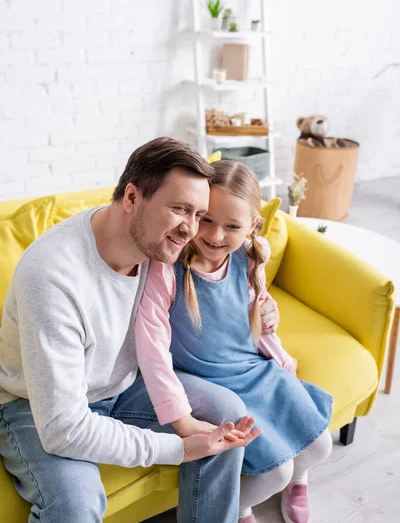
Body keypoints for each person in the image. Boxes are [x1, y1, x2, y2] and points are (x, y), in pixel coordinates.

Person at [0, 137, 261, 523]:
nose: (191, 229)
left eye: (198, 214)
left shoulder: (157, 244)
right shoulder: (53, 276)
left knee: (227, 417)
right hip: (35, 405)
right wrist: (181, 448)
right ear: (133, 197)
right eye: (179, 209)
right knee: (76, 505)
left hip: (121, 386)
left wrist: (261, 281)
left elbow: (232, 244)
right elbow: (65, 430)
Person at [135, 160, 334, 523]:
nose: (214, 235)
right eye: (206, 219)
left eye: (232, 226)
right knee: (276, 471)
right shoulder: (168, 267)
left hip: (251, 367)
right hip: (205, 380)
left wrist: (271, 319)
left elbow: (253, 307)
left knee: (322, 445)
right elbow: (152, 344)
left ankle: (299, 480)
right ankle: (240, 507)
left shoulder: (251, 254)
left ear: (252, 226)